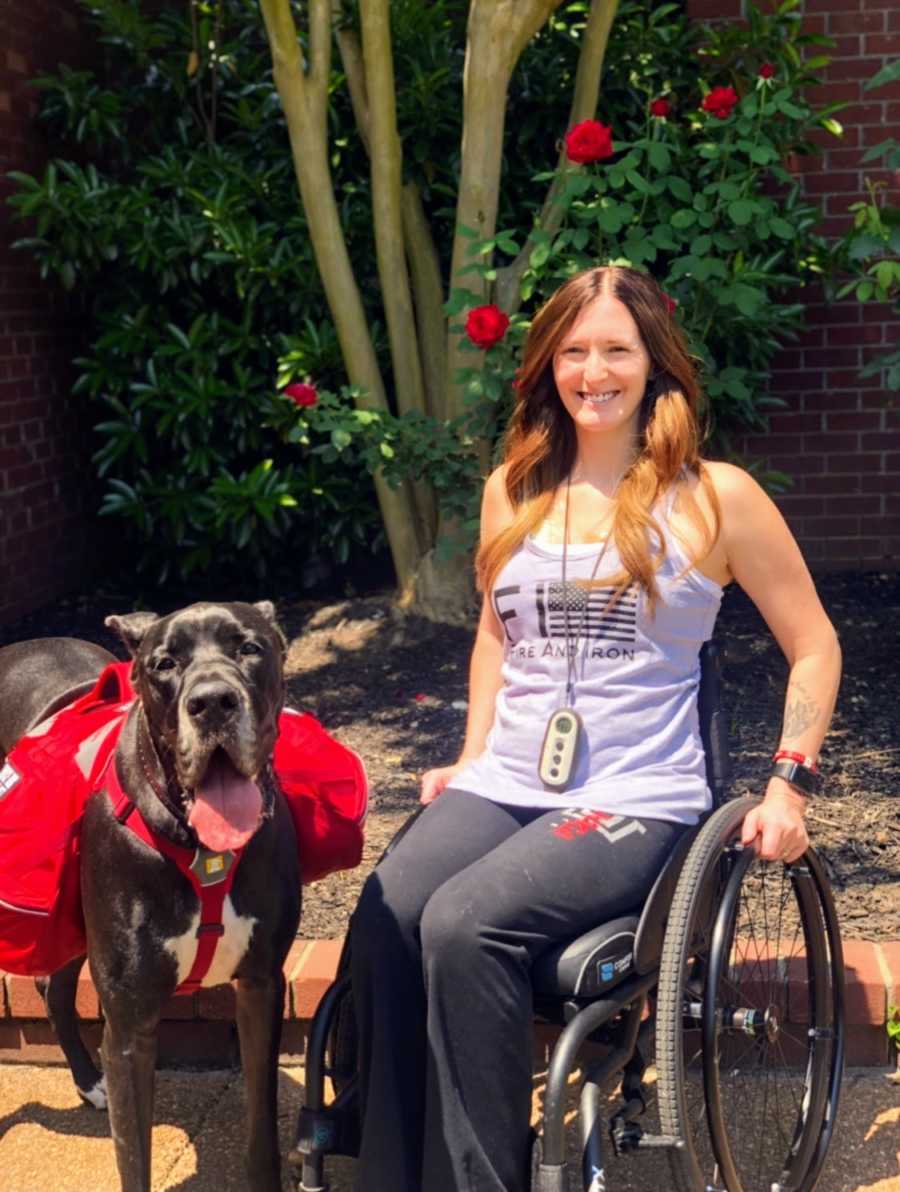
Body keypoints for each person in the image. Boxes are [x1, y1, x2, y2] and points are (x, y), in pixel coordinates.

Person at [349, 265, 841, 1192]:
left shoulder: (715, 497)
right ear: (548, 366)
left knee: (464, 924)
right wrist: (467, 755)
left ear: (655, 360)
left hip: (636, 798)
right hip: (506, 783)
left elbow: (814, 646)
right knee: (387, 911)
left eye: (616, 349)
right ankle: (385, 1174)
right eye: (574, 351)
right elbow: (497, 635)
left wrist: (789, 784)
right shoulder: (514, 488)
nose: (594, 372)